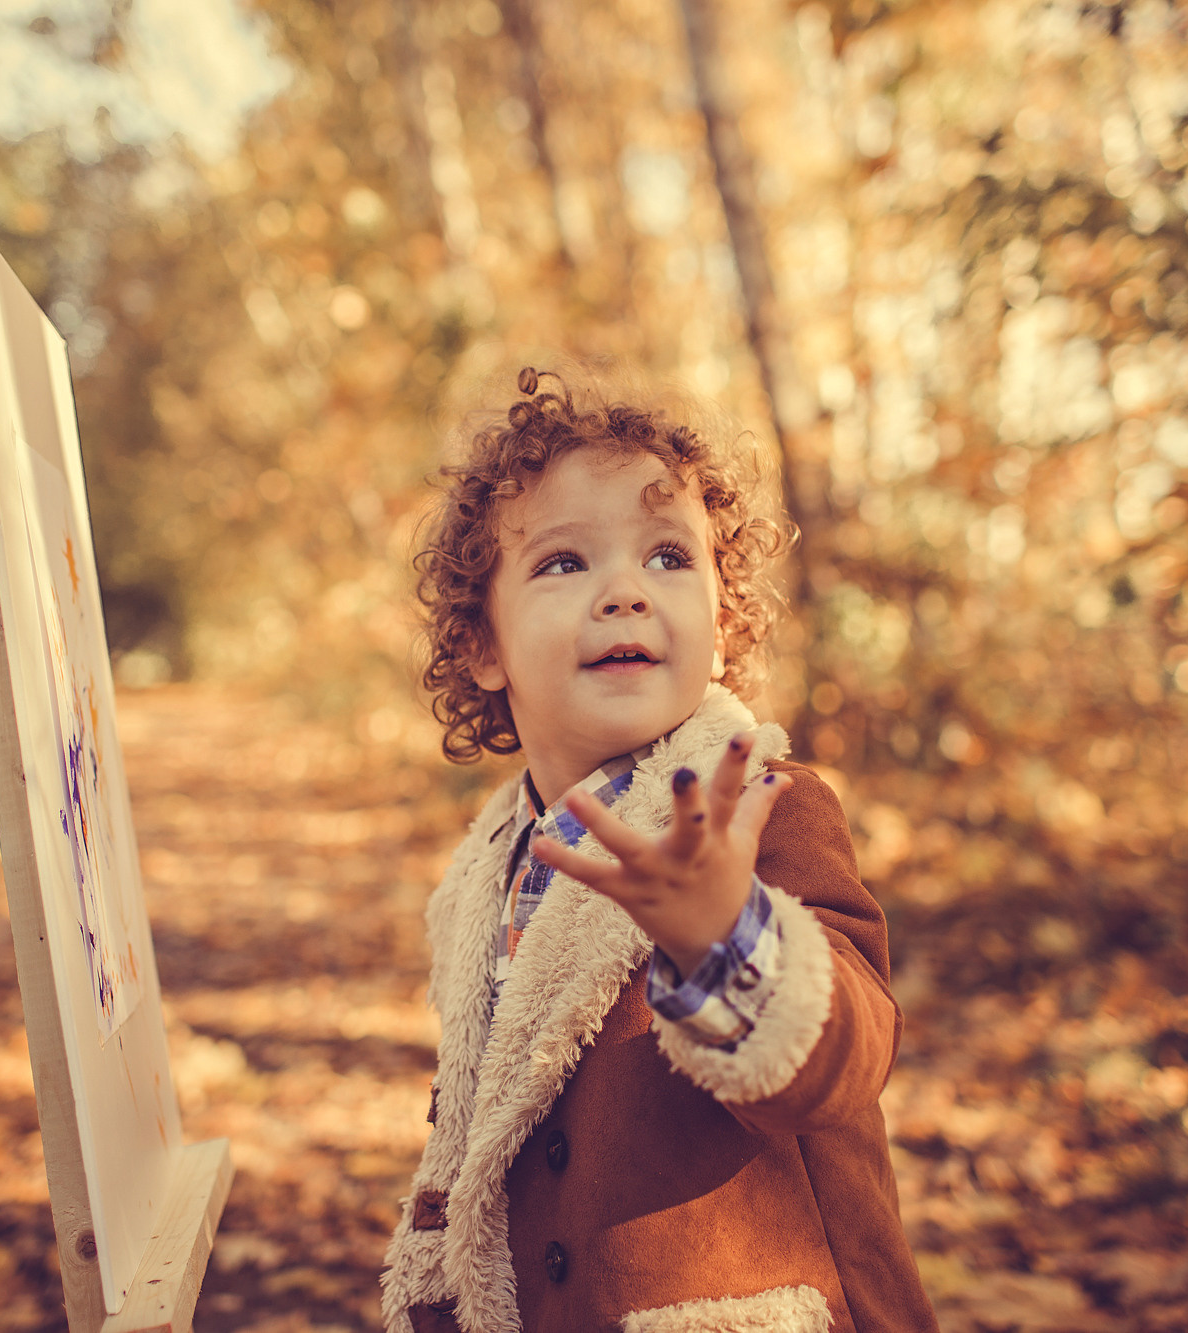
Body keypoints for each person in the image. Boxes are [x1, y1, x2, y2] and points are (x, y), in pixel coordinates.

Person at [381, 366, 938, 1333]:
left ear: (722, 628)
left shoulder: (759, 803)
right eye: (565, 564)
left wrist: (729, 936)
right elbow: (477, 1142)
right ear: (483, 644)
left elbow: (849, 1057)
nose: (627, 593)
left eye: (669, 557)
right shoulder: (490, 870)